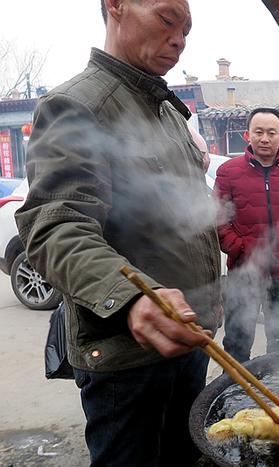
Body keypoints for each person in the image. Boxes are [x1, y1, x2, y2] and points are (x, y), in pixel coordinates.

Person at [14, 1, 221, 465]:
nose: (180, 38)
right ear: (116, 6)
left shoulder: (167, 113)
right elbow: (55, 224)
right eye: (168, 19)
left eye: (187, 28)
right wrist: (131, 297)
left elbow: (177, 214)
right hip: (127, 357)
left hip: (189, 339)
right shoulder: (78, 103)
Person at [215, 107, 279, 362]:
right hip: (244, 272)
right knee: (238, 339)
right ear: (247, 135)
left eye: (271, 132)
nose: (264, 138)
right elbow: (217, 220)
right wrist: (241, 247)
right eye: (258, 132)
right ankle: (237, 393)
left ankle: (277, 390)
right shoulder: (229, 172)